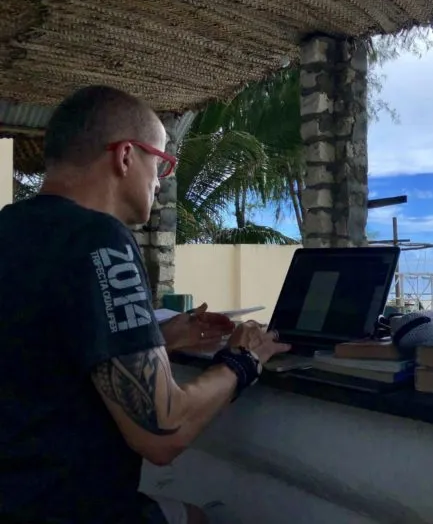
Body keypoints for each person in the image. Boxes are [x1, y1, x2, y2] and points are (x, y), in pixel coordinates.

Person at [0, 85, 291, 523]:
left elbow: (41, 348)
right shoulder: (100, 238)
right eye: (161, 163)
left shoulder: (12, 227)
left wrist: (157, 337)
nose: (160, 180)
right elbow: (162, 431)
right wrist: (244, 359)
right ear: (124, 157)